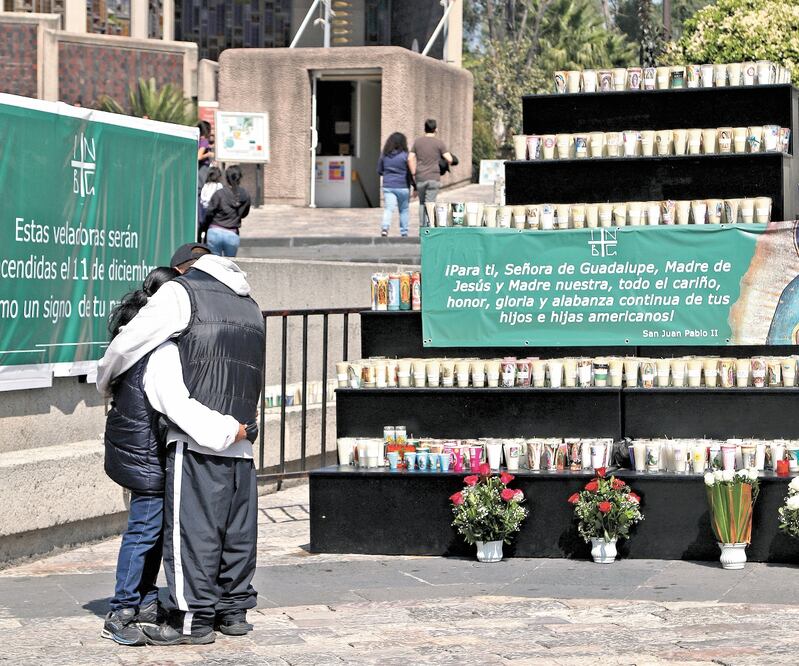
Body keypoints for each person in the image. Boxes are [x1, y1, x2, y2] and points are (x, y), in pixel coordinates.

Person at [97, 247, 265, 646]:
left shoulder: (180, 302)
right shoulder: (249, 305)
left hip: (194, 443)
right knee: (228, 534)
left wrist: (104, 381)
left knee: (189, 536)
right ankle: (226, 611)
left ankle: (180, 617)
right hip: (223, 443)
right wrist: (241, 428)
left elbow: (141, 370)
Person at [409, 119, 454, 228]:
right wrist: (444, 163)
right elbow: (449, 159)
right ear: (435, 129)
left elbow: (410, 158)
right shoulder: (439, 143)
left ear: (424, 128)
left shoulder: (418, 142)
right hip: (434, 177)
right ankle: (428, 228)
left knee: (422, 203)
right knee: (430, 204)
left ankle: (422, 226)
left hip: (420, 177)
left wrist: (414, 172)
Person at [203, 165, 251, 258]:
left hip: (214, 232)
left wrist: (204, 227)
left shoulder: (219, 194)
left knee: (214, 263)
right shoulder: (245, 195)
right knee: (229, 264)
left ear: (226, 177)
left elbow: (209, 212)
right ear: (240, 178)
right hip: (232, 233)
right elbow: (244, 214)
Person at [377, 132, 411, 237]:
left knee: (388, 208)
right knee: (404, 210)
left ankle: (385, 228)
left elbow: (379, 170)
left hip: (388, 186)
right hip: (403, 186)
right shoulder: (405, 156)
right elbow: (410, 172)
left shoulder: (384, 155)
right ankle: (404, 232)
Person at [198, 167, 224, 240]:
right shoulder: (219, 186)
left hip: (204, 210)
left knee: (203, 228)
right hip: (214, 212)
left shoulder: (206, 185)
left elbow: (202, 199)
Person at [197, 121, 213, 189]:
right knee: (200, 187)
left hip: (197, 167)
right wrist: (208, 154)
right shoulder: (204, 141)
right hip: (202, 168)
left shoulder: (198, 140)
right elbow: (198, 157)